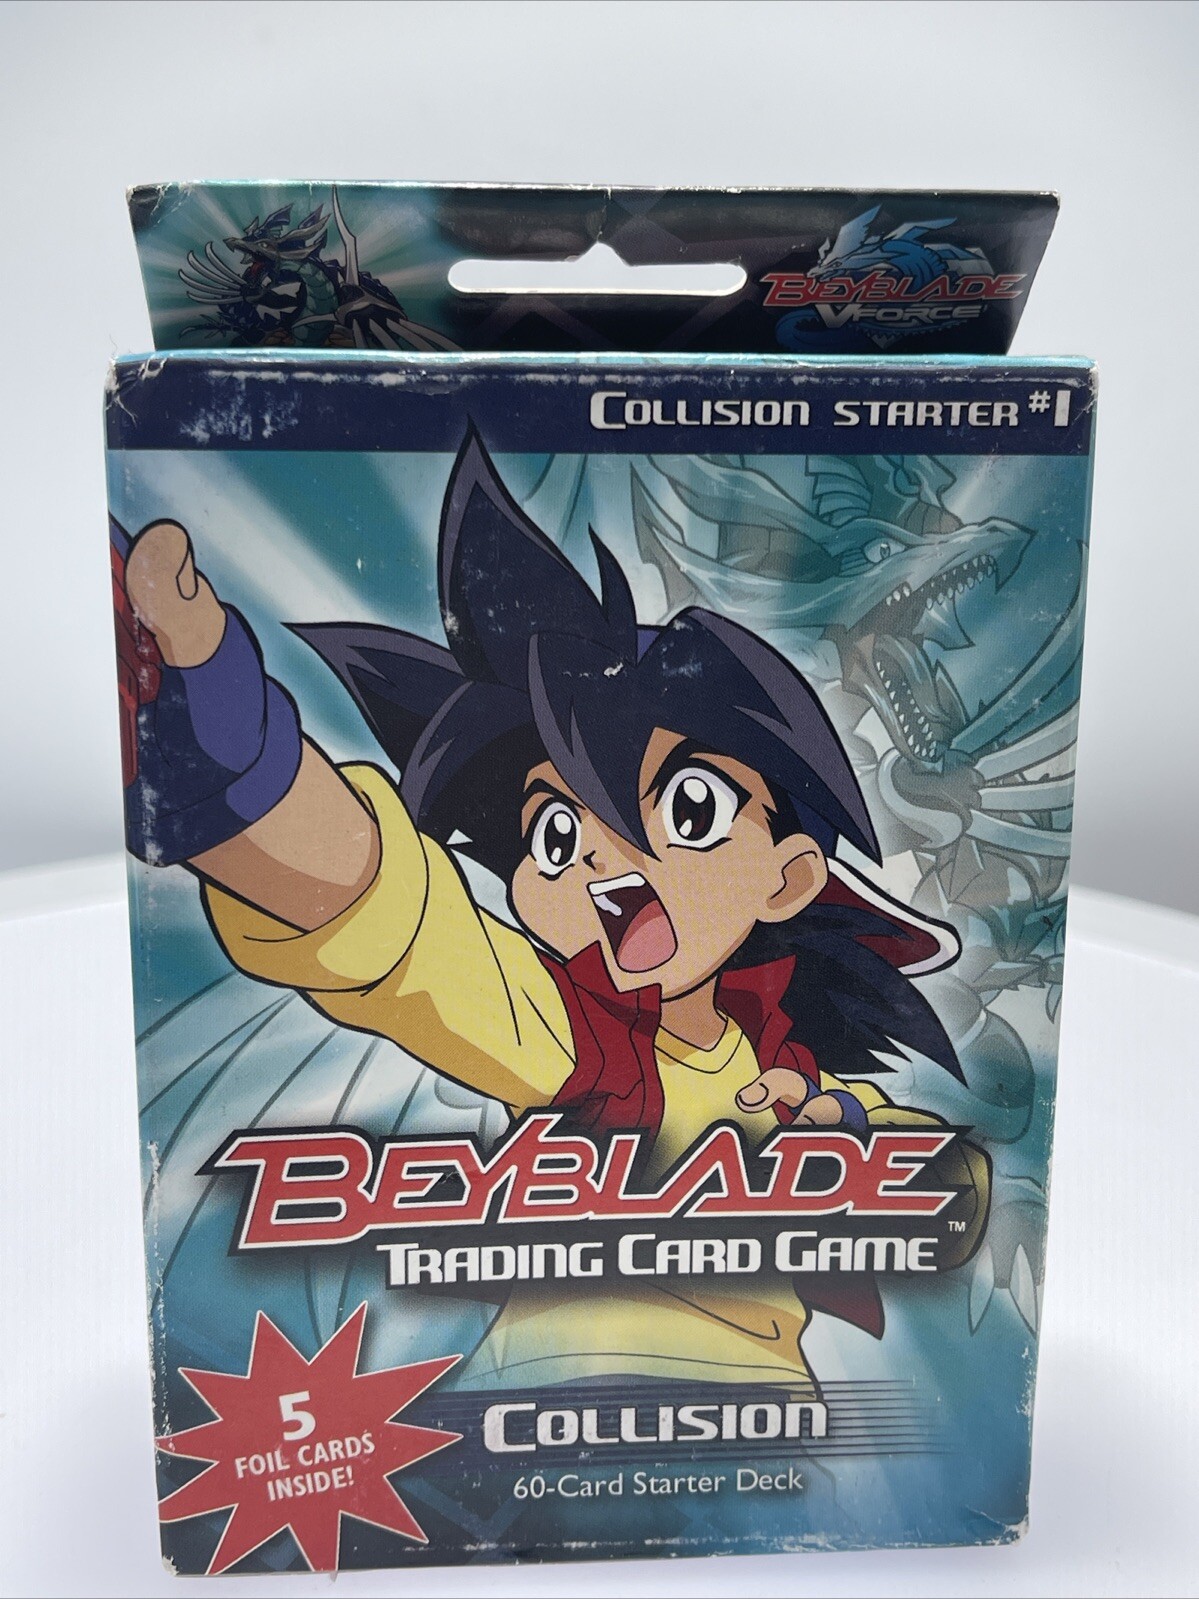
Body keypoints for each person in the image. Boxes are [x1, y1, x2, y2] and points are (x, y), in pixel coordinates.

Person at [114, 430, 987, 1389]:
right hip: (553, 1397)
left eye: (688, 809)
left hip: (758, 1419)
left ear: (786, 878)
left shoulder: (781, 1061)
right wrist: (225, 752)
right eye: (556, 834)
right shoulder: (570, 1035)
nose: (601, 855)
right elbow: (395, 922)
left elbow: (954, 1198)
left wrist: (845, 1144)